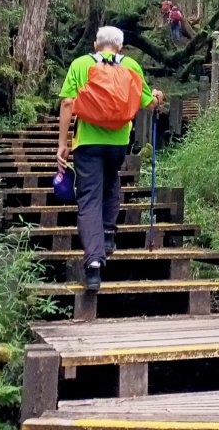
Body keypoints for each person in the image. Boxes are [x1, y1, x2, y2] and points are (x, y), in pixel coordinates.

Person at [57, 25, 164, 292]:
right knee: (111, 184)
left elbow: (68, 104)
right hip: (117, 142)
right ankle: (107, 234)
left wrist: (63, 144)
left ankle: (93, 263)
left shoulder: (80, 64)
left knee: (89, 197)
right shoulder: (131, 66)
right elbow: (148, 103)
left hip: (87, 143)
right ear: (120, 48)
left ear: (96, 45)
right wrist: (157, 97)